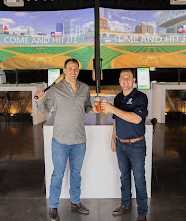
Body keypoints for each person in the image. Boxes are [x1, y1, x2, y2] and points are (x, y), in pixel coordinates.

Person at [35, 58, 99, 221]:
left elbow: (86, 108)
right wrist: (39, 100)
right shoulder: (55, 90)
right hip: (60, 140)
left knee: (76, 173)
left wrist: (95, 110)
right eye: (70, 69)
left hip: (79, 139)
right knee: (58, 173)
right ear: (64, 71)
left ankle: (75, 201)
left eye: (76, 69)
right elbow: (44, 110)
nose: (73, 72)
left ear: (78, 70)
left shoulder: (84, 88)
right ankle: (53, 206)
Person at [101, 68, 149, 221]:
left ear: (134, 80)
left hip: (136, 145)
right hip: (120, 144)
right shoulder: (118, 98)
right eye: (123, 78)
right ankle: (125, 203)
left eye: (129, 77)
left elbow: (136, 119)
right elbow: (116, 120)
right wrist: (113, 138)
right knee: (124, 176)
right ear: (119, 81)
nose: (126, 80)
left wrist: (111, 108)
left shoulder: (141, 97)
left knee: (139, 179)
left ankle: (142, 212)